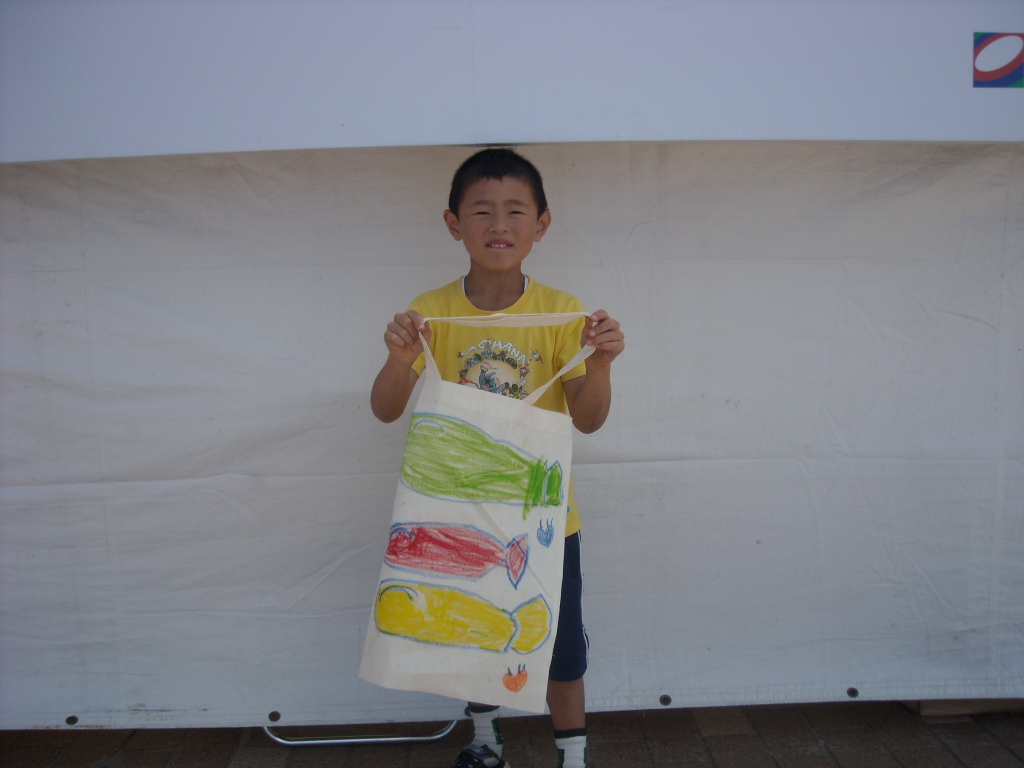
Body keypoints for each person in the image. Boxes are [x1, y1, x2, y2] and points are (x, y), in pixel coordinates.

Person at [370, 147, 625, 768]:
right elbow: (385, 409)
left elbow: (588, 420)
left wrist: (600, 365)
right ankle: (486, 744)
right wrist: (399, 360)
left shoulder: (562, 312)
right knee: (473, 631)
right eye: (481, 211)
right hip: (458, 512)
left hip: (546, 518)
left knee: (561, 648)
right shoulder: (431, 311)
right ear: (454, 223)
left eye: (516, 210)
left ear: (542, 224)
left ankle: (572, 757)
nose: (499, 225)